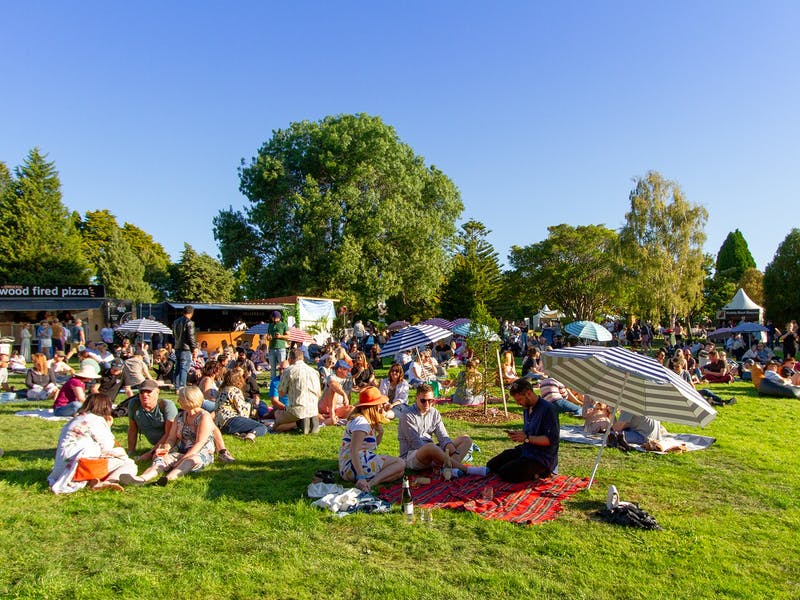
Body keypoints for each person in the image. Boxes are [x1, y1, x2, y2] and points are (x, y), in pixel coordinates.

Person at [120, 386, 217, 486]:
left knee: (190, 461)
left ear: (189, 400)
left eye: (181, 399)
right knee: (160, 459)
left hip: (200, 452)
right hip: (181, 450)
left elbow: (199, 443)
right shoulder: (179, 416)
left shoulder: (204, 416)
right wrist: (165, 449)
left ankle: (167, 479)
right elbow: (171, 438)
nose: (178, 400)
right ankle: (141, 478)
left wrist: (182, 459)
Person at [126, 380, 235, 464]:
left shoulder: (166, 405)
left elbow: (169, 434)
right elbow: (132, 428)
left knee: (208, 421)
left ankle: (222, 451)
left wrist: (150, 453)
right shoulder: (134, 404)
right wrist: (131, 452)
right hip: (168, 442)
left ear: (157, 392)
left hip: (174, 440)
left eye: (149, 391)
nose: (145, 394)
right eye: (142, 392)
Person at [47, 393, 138, 494]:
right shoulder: (96, 421)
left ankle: (93, 480)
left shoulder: (75, 419)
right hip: (80, 467)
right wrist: (108, 427)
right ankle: (108, 482)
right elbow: (107, 446)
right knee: (129, 463)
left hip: (60, 469)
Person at [486, 378, 559, 482]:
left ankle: (543, 473)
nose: (518, 403)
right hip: (526, 450)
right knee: (492, 465)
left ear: (529, 393)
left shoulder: (548, 409)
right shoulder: (527, 408)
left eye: (519, 400)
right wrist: (519, 435)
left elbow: (551, 440)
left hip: (541, 457)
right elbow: (530, 432)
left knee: (505, 473)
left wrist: (526, 438)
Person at [339, 387, 406, 492]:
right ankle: (369, 483)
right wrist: (361, 477)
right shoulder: (361, 423)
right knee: (400, 463)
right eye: (380, 404)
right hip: (352, 465)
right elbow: (354, 450)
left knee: (399, 472)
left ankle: (371, 479)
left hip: (358, 462)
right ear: (373, 407)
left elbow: (372, 446)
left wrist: (380, 433)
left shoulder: (366, 421)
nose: (382, 407)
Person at [397, 384, 475, 473]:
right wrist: (440, 456)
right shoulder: (407, 415)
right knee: (430, 447)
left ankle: (449, 469)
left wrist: (453, 452)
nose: (427, 404)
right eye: (423, 401)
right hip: (412, 456)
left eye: (430, 400)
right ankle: (466, 469)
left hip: (433, 451)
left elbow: (443, 437)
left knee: (466, 439)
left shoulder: (434, 412)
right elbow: (416, 444)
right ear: (416, 398)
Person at [214, 367, 268, 441]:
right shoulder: (234, 390)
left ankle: (239, 433)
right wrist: (252, 405)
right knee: (262, 427)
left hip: (220, 424)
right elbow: (242, 410)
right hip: (230, 420)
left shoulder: (222, 390)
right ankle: (250, 435)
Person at [275, 348, 322, 433]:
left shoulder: (289, 370)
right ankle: (309, 422)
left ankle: (298, 423)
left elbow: (281, 393)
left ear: (290, 359)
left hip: (297, 409)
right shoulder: (314, 371)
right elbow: (319, 394)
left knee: (277, 424)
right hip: (314, 409)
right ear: (303, 358)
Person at [319, 359, 355, 426]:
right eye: (346, 369)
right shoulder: (332, 377)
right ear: (339, 369)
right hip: (325, 408)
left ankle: (326, 418)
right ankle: (332, 416)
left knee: (352, 409)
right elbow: (333, 384)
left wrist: (347, 405)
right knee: (333, 390)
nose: (348, 371)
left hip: (338, 409)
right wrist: (344, 394)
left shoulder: (348, 377)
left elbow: (349, 394)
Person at [173, 305, 197, 389]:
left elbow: (174, 335)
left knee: (178, 367)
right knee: (184, 368)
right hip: (185, 348)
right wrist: (194, 348)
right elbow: (191, 336)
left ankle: (176, 387)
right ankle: (182, 386)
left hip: (177, 347)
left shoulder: (176, 322)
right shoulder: (189, 322)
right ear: (191, 313)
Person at [267, 310, 290, 380]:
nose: (274, 319)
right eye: (273, 317)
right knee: (272, 367)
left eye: (276, 317)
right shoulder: (270, 325)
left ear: (279, 318)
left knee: (282, 366)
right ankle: (273, 382)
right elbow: (268, 336)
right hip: (272, 348)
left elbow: (288, 336)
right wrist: (269, 338)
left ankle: (283, 380)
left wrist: (280, 336)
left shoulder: (283, 325)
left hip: (281, 348)